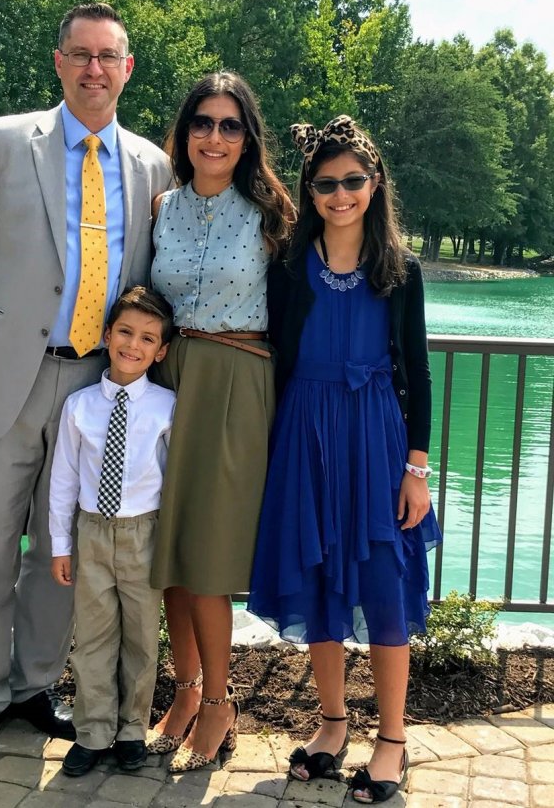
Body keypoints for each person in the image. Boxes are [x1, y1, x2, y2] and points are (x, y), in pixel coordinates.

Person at [0, 3, 172, 766]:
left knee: (63, 550)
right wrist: (7, 320)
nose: (94, 68)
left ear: (127, 69)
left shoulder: (151, 165)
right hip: (8, 379)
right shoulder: (1, 140)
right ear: (59, 62)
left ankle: (31, 687)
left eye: (109, 56)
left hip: (95, 392)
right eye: (81, 54)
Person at [247, 115, 442, 803]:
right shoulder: (288, 269)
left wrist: (416, 470)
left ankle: (392, 739)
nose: (340, 195)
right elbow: (272, 359)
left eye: (353, 181)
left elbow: (417, 374)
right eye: (326, 184)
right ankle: (332, 724)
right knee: (321, 582)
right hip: (305, 433)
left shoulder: (400, 270)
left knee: (384, 588)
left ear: (374, 183)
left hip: (377, 439)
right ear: (312, 189)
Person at [148, 71, 293, 772]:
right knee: (169, 554)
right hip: (167, 380)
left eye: (230, 125)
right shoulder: (162, 206)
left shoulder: (272, 215)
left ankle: (220, 705)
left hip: (237, 383)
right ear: (186, 131)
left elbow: (301, 317)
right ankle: (184, 691)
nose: (214, 136)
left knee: (206, 558)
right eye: (202, 122)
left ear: (247, 138)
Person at [49, 286, 176, 777]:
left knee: (142, 638)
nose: (133, 345)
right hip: (93, 534)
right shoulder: (79, 406)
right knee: (94, 638)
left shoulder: (167, 406)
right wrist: (61, 544)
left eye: (148, 338)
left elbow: (173, 480)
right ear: (107, 335)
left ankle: (131, 730)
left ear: (160, 351)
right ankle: (93, 731)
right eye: (125, 332)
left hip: (144, 532)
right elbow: (62, 477)